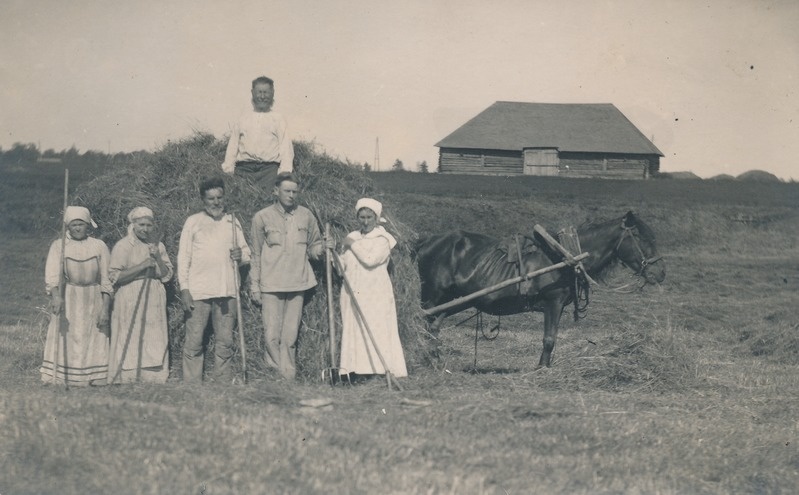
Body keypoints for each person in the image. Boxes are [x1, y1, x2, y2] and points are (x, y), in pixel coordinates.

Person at [250, 173, 324, 380]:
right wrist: (254, 285)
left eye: (294, 192)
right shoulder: (261, 217)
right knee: (271, 335)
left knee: (289, 336)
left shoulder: (306, 216)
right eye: (287, 191)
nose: (291, 195)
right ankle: (275, 377)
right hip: (271, 284)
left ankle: (288, 378)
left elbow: (313, 246)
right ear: (276, 191)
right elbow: (255, 253)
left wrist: (322, 249)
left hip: (297, 283)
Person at [177, 177, 251, 383]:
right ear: (203, 200)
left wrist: (241, 256)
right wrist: (184, 288)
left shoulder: (232, 221)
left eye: (219, 197)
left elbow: (246, 253)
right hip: (199, 292)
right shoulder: (193, 222)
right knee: (194, 341)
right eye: (211, 198)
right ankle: (192, 386)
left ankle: (222, 383)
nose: (216, 202)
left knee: (225, 342)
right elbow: (183, 258)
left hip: (227, 291)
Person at [41, 206, 113, 386]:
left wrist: (105, 308)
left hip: (93, 295)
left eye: (81, 224)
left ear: (88, 225)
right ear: (68, 227)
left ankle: (95, 376)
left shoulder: (99, 246)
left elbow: (107, 279)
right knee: (70, 334)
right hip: (71, 295)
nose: (78, 228)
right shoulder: (59, 246)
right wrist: (56, 296)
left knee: (94, 333)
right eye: (74, 225)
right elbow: (52, 276)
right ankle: (62, 375)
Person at [337, 198, 407, 381]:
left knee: (376, 330)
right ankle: (356, 371)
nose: (365, 221)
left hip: (375, 294)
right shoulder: (352, 236)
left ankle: (378, 370)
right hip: (352, 293)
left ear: (376, 218)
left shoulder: (383, 240)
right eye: (362, 217)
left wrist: (351, 244)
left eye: (369, 217)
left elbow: (370, 259)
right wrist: (333, 254)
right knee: (355, 330)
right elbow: (340, 268)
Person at [107, 207, 173, 384]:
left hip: (153, 295)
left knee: (152, 335)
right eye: (141, 225)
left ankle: (153, 376)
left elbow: (166, 275)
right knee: (131, 333)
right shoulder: (123, 246)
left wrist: (157, 257)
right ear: (133, 225)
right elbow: (115, 276)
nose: (145, 229)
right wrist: (143, 266)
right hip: (130, 294)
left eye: (149, 225)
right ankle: (128, 376)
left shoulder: (158, 246)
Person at [220, 76, 294, 187]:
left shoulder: (278, 119)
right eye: (259, 92)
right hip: (243, 169)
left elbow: (286, 147)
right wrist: (228, 170)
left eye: (266, 92)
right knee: (241, 198)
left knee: (266, 200)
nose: (262, 97)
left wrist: (284, 172)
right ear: (252, 93)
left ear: (272, 93)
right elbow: (233, 145)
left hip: (268, 170)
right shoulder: (243, 118)